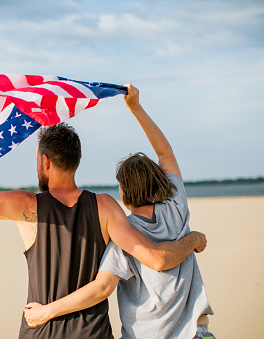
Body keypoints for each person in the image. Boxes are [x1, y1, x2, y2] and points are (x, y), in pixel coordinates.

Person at [0, 120, 207, 339]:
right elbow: (151, 257)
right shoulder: (106, 207)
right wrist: (192, 239)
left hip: (40, 331)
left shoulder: (26, 205)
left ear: (45, 162)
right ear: (75, 161)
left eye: (36, 161)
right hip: (94, 333)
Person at [23, 84, 215, 338]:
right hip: (196, 332)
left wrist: (47, 311)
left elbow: (102, 287)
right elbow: (165, 151)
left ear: (124, 192)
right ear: (160, 181)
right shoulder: (176, 208)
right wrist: (136, 108)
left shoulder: (124, 236)